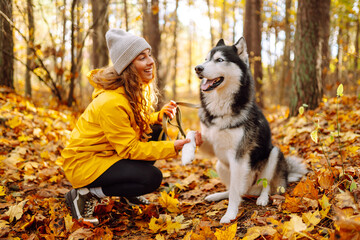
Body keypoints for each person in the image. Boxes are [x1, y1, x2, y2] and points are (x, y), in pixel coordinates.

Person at [62, 28, 202, 225]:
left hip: (107, 153)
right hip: (85, 163)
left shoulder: (131, 89)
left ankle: (127, 193)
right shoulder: (111, 102)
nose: (150, 61)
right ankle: (87, 194)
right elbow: (130, 148)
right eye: (141, 58)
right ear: (128, 66)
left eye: (149, 55)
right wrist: (174, 147)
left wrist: (157, 116)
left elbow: (132, 123)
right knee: (151, 178)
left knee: (156, 130)